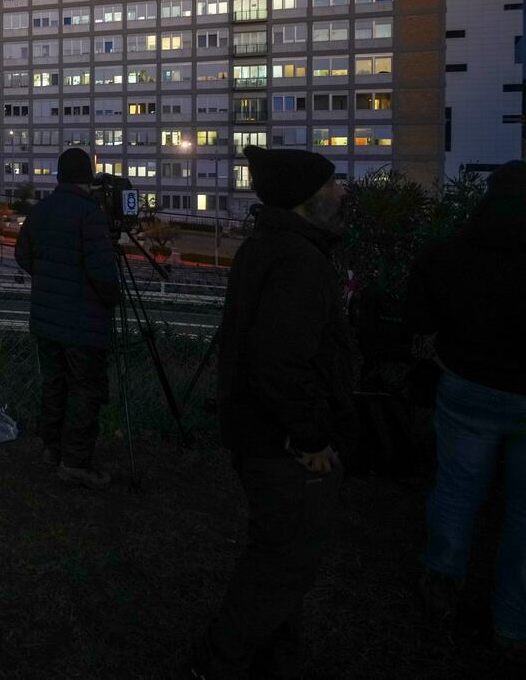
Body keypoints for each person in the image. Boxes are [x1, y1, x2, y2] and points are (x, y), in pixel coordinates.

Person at [189, 146, 357, 678]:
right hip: (281, 442)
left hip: (260, 430)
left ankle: (275, 650)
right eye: (331, 185)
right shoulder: (298, 261)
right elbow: (280, 361)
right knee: (282, 558)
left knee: (286, 551)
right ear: (304, 199)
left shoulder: (275, 246)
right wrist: (309, 438)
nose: (341, 191)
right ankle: (224, 657)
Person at [404, 160, 526, 662]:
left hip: (467, 389)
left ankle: (442, 581)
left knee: (458, 490)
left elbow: (417, 313)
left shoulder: (451, 254)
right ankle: (516, 622)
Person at [14, 147, 121, 489]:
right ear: (87, 178)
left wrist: (47, 281)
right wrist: (109, 299)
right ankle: (75, 462)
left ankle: (52, 449)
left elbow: (22, 255)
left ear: (60, 177)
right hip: (83, 325)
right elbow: (103, 273)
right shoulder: (90, 215)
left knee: (54, 385)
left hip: (46, 321)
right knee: (85, 390)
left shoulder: (41, 211)